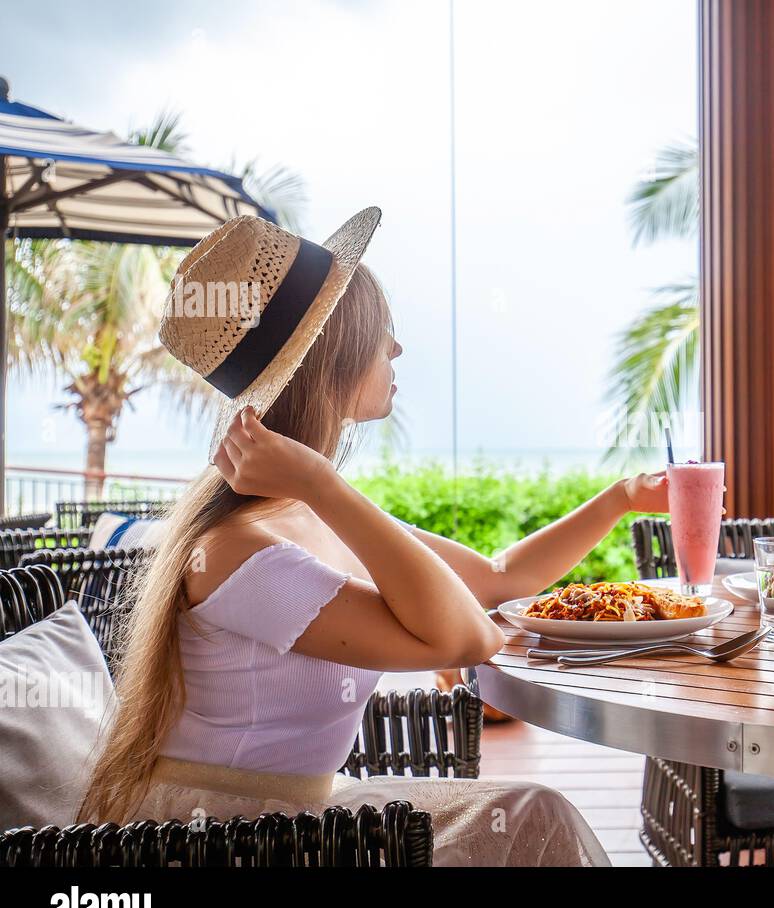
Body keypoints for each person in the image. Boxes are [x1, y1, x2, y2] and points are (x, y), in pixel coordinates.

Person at [79, 209, 668, 866]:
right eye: (382, 332)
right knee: (532, 819)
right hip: (225, 839)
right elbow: (469, 638)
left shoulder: (302, 513)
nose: (396, 350)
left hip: (301, 818)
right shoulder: (243, 551)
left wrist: (624, 500)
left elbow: (500, 580)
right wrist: (326, 486)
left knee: (531, 816)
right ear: (334, 356)